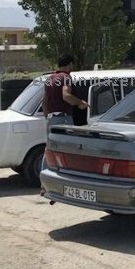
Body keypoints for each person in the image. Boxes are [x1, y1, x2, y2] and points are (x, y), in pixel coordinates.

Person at [40, 54, 88, 194]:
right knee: (69, 149)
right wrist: (80, 102)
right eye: (72, 65)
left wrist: (49, 118)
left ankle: (44, 185)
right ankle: (71, 183)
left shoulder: (50, 79)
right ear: (69, 64)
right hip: (63, 118)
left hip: (51, 119)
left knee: (49, 149)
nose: (72, 68)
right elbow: (66, 96)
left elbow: (44, 102)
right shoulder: (66, 77)